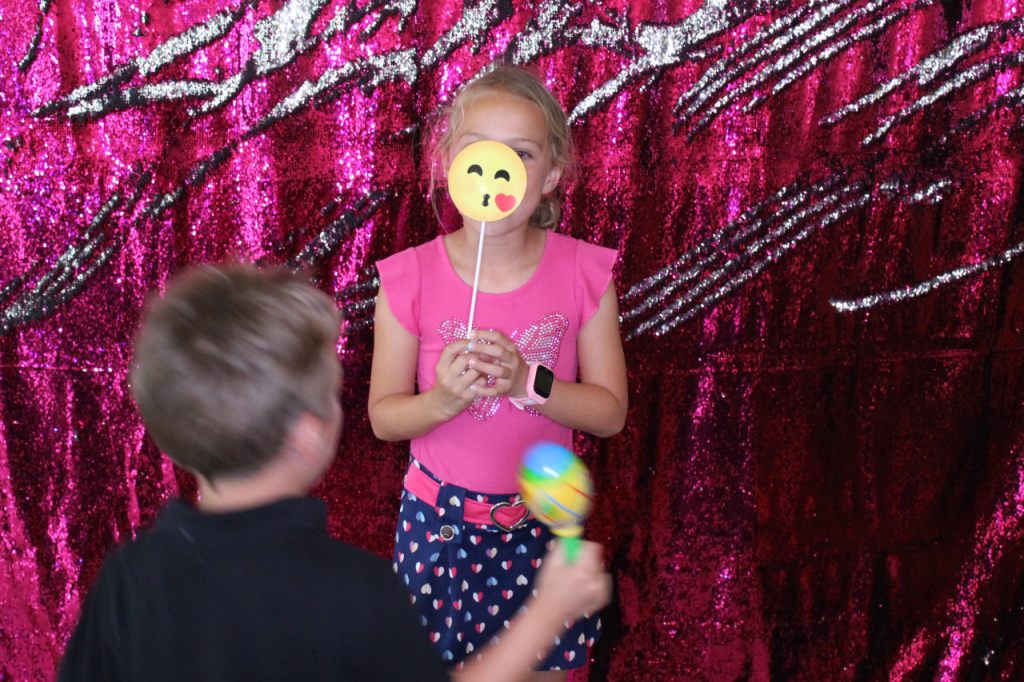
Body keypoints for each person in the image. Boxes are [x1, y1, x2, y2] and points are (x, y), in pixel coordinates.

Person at [58, 264, 611, 682]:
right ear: (309, 436)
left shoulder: (128, 577)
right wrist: (547, 614)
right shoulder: (355, 590)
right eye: (332, 391)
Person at [369, 65, 628, 678]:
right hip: (438, 528)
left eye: (521, 153)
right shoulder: (408, 277)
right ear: (448, 164)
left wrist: (526, 383)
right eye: (478, 151)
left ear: (551, 175)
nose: (496, 170)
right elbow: (383, 418)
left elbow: (610, 413)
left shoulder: (584, 273)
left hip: (542, 526)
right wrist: (441, 401)